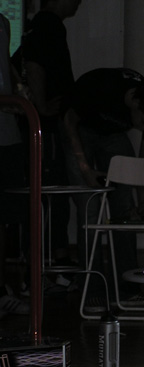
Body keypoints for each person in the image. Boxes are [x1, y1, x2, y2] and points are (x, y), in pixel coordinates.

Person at [61, 67, 144, 312]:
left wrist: (142, 198)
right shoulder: (102, 91)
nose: (143, 127)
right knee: (90, 209)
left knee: (124, 209)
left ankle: (127, 288)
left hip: (112, 133)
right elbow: (70, 120)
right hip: (80, 128)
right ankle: (91, 289)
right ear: (134, 104)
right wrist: (85, 168)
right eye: (141, 121)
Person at [19, 0, 82, 284]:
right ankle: (48, 263)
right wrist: (42, 107)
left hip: (46, 122)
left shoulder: (40, 26)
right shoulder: (48, 25)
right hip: (47, 126)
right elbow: (34, 65)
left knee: (51, 190)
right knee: (52, 190)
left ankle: (51, 259)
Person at [0, 13, 29, 319]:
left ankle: (1, 290)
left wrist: (18, 88)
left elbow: (5, 64)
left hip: (7, 135)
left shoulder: (3, 23)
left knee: (5, 216)